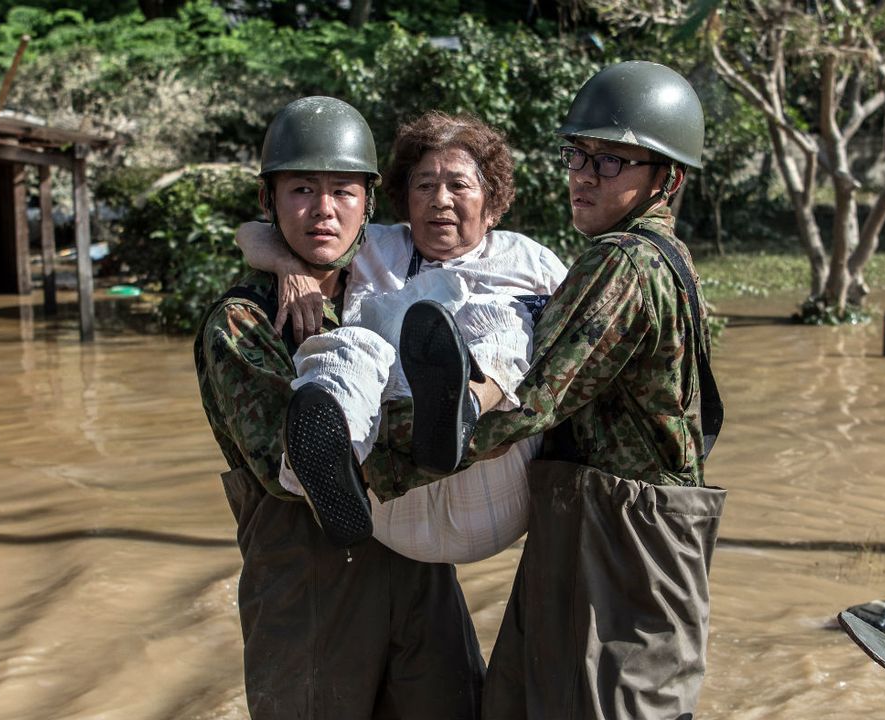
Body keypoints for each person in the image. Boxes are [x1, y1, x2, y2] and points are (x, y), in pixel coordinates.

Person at [390, 61, 728, 719]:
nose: (582, 174)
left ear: (669, 178)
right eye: (578, 153)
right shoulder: (668, 255)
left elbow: (535, 402)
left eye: (611, 161)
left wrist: (387, 459)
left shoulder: (622, 260)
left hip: (622, 544)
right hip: (598, 528)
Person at [193, 96, 485, 720]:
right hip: (310, 587)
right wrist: (467, 426)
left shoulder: (395, 280)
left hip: (418, 567)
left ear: (370, 204)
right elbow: (297, 465)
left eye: (343, 191)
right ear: (269, 202)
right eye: (301, 189)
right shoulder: (244, 324)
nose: (324, 210)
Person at [237, 111, 567, 563]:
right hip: (391, 508)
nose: (440, 200)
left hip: (491, 482)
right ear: (404, 199)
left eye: (458, 185)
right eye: (425, 186)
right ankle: (329, 469)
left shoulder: (529, 261)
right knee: (352, 344)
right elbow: (256, 232)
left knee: (502, 321)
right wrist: (292, 270)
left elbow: (574, 357)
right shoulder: (374, 245)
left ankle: (464, 405)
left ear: (493, 205)